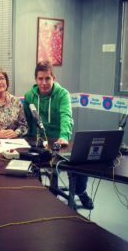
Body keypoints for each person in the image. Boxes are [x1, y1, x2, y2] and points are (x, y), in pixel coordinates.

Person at [24, 61, 93, 210]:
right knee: (30, 165)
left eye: (47, 78)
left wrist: (64, 136)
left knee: (80, 164)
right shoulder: (29, 96)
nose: (44, 83)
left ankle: (81, 192)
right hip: (38, 142)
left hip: (59, 141)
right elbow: (28, 121)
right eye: (40, 79)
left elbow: (66, 116)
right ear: (35, 79)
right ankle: (40, 195)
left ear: (53, 78)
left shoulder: (62, 94)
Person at [0, 68, 28, 139]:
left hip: (12, 142)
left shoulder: (16, 101)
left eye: (2, 78)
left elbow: (24, 126)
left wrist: (16, 133)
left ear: (6, 82)